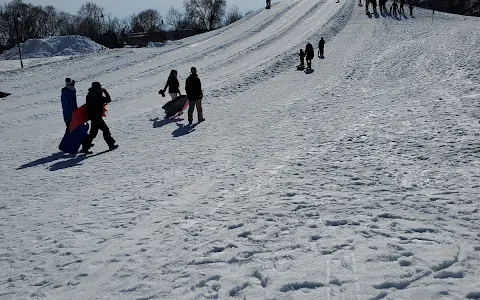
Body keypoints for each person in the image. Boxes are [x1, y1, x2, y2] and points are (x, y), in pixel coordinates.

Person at [80, 82, 117, 153]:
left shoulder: (89, 95)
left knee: (93, 133)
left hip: (93, 117)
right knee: (104, 130)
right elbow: (108, 99)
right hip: (97, 118)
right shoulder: (97, 96)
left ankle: (85, 148)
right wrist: (105, 91)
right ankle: (111, 145)